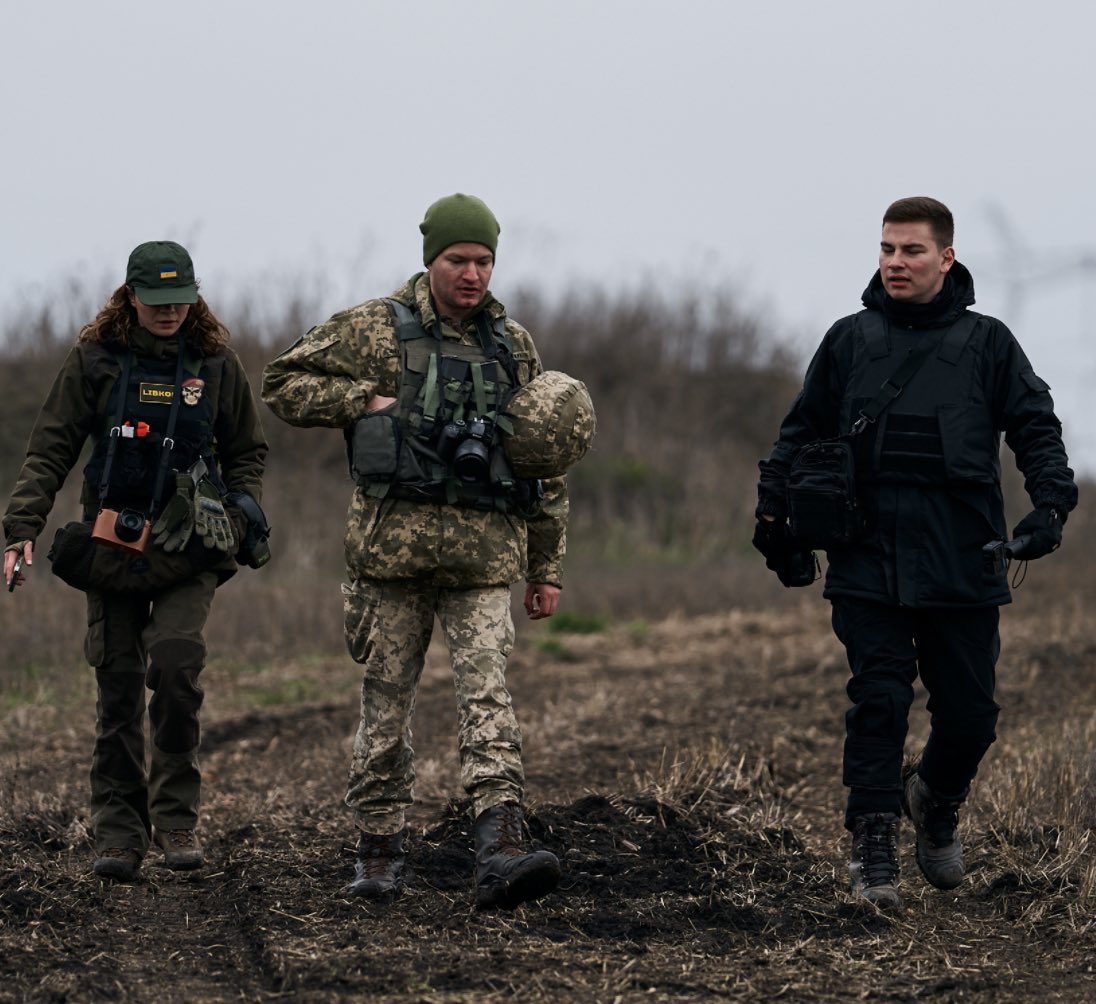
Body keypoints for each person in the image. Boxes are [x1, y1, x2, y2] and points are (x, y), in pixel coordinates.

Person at [260, 193, 594, 910]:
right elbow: (282, 383)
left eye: (483, 261)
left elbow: (546, 464)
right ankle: (378, 850)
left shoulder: (516, 346)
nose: (472, 274)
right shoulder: (378, 328)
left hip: (484, 557)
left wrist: (547, 568)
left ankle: (501, 843)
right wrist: (366, 404)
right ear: (431, 260)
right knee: (385, 709)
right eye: (458, 260)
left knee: (488, 699)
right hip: (391, 559)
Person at [753, 197, 1077, 909]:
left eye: (912, 251)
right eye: (887, 249)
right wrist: (773, 518)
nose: (896, 263)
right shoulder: (848, 341)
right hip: (866, 555)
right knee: (879, 700)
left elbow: (1036, 427)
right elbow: (799, 433)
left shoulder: (989, 344)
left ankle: (934, 798)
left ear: (947, 258)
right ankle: (873, 849)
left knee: (971, 717)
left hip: (964, 557)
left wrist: (1050, 507)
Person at [3, 241, 268, 882]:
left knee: (175, 665)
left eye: (181, 301)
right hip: (110, 548)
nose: (170, 313)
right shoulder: (94, 361)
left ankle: (175, 818)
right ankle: (120, 833)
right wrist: (20, 530)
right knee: (117, 685)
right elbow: (49, 450)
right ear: (130, 297)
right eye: (157, 303)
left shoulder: (216, 364)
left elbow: (248, 453)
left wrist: (236, 515)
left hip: (190, 548)